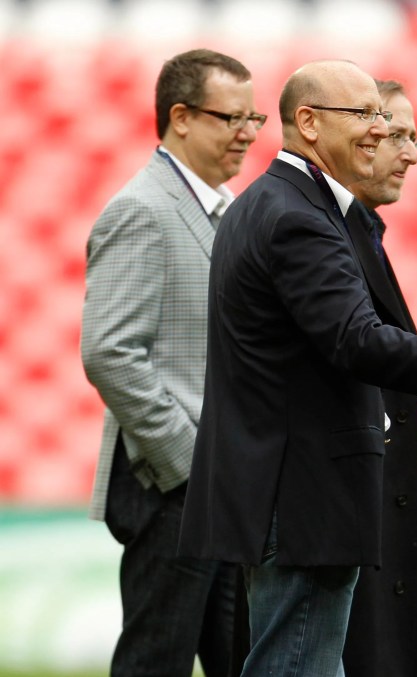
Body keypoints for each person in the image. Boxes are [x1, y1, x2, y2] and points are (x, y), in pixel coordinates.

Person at [177, 60, 417, 677]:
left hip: (283, 489)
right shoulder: (300, 216)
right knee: (296, 664)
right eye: (364, 115)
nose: (380, 130)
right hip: (302, 495)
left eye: (381, 115)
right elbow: (357, 340)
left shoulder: (268, 203)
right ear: (308, 123)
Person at [80, 49, 262, 676]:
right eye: (230, 118)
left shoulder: (226, 209)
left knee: (237, 659)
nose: (247, 132)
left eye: (254, 118)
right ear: (180, 117)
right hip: (174, 485)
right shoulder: (144, 210)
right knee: (155, 660)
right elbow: (109, 352)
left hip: (220, 483)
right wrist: (188, 461)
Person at [338, 79, 417, 677]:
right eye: (400, 136)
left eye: (416, 136)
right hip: (349, 509)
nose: (412, 153)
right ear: (363, 138)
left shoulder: (366, 232)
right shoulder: (325, 233)